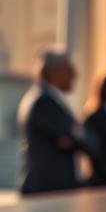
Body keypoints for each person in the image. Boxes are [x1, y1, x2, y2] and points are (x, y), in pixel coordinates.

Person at [17, 50, 88, 195]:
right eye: (69, 70)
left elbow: (72, 137)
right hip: (47, 189)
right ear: (55, 72)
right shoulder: (43, 102)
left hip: (51, 188)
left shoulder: (48, 98)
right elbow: (73, 137)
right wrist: (77, 136)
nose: (75, 75)